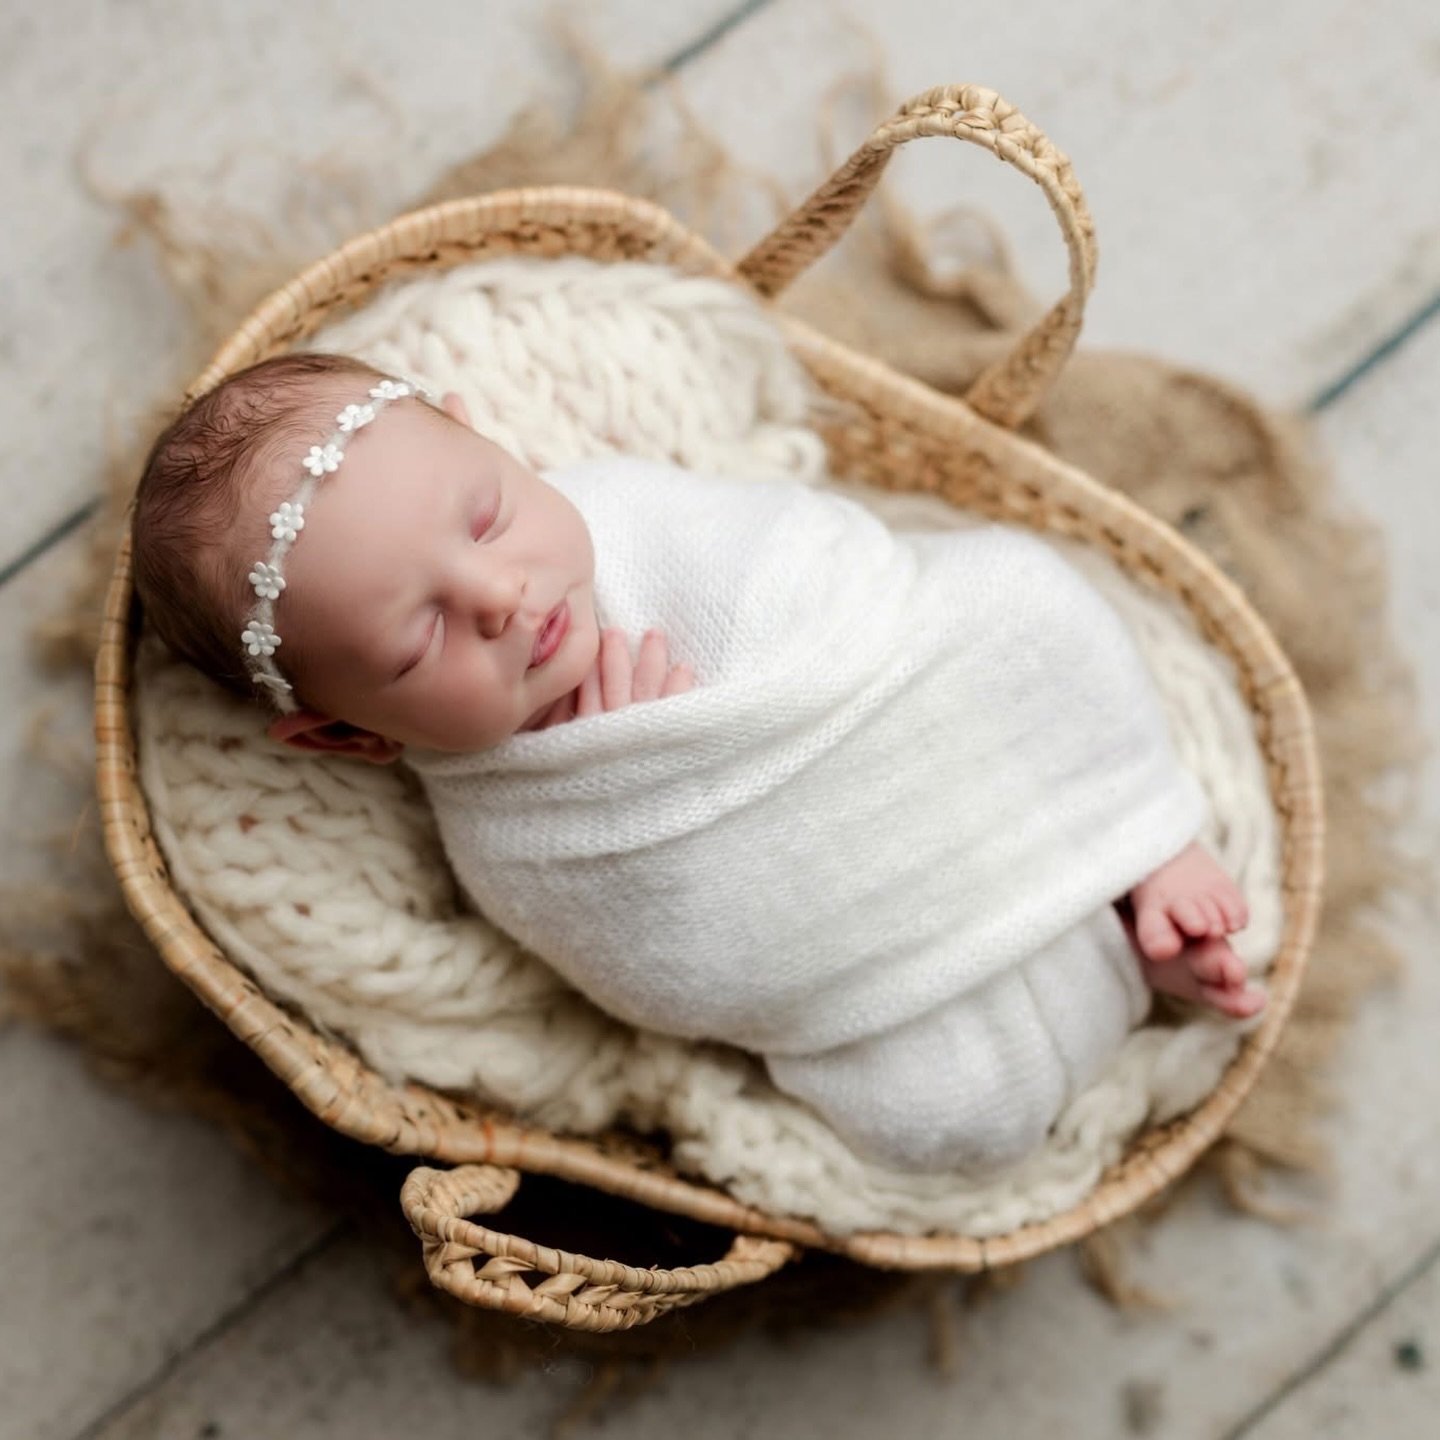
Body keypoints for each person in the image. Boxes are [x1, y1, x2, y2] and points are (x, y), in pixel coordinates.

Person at [132, 350, 1267, 1174]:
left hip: (930, 711)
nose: (499, 595)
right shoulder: (511, 838)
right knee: (940, 1120)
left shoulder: (627, 508)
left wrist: (724, 696)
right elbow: (667, 980)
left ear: (495, 444)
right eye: (420, 637)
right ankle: (1117, 942)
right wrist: (639, 797)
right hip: (873, 951)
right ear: (350, 735)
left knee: (1023, 598)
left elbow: (827, 565)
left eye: (482, 519)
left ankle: (1140, 841)